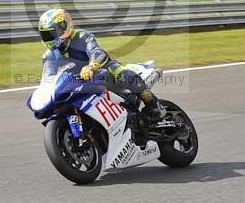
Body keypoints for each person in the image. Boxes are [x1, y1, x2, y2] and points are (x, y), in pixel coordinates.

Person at [37, 8, 166, 120]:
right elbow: (48, 78)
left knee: (126, 76)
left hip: (104, 70)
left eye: (52, 33)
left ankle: (155, 107)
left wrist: (91, 66)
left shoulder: (82, 37)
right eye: (46, 35)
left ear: (63, 27)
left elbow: (98, 53)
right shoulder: (50, 55)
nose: (49, 38)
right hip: (79, 83)